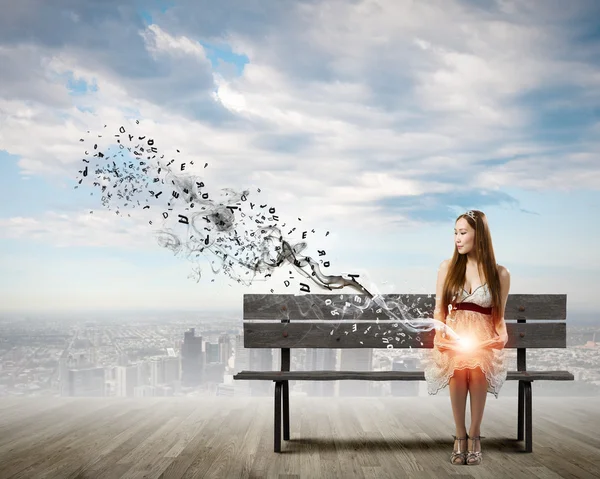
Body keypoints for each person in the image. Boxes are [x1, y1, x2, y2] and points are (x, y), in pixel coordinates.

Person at [423, 210, 510, 466]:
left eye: (463, 233)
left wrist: (501, 336)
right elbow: (439, 310)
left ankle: (474, 436)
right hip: (454, 336)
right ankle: (459, 435)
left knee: (478, 368)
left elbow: (499, 319)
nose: (457, 239)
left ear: (479, 236)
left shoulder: (500, 274)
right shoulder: (447, 267)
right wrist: (440, 336)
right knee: (459, 369)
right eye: (455, 233)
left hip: (482, 340)